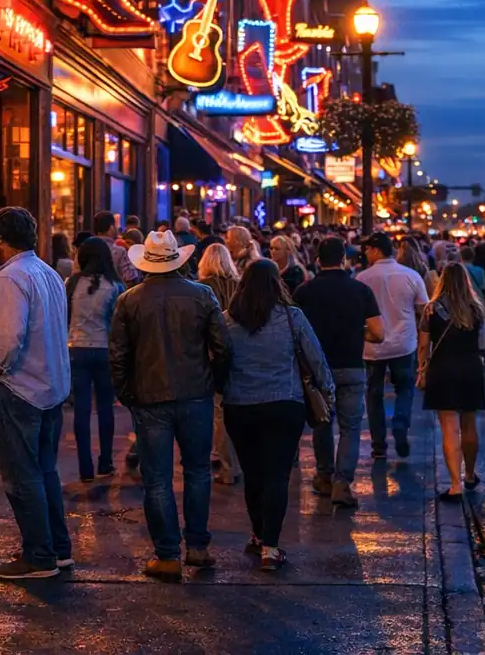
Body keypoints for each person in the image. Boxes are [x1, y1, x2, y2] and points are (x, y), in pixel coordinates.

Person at [110, 230, 231, 581]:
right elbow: (222, 348)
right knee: (197, 472)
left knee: (158, 479)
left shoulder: (129, 301)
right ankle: (197, 546)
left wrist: (127, 392)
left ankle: (167, 555)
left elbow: (118, 355)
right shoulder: (202, 295)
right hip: (195, 394)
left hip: (149, 398)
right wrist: (214, 383)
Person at [0, 206, 75, 580]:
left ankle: (39, 555)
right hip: (50, 387)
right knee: (44, 471)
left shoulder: (10, 278)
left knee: (22, 477)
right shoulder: (48, 273)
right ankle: (57, 547)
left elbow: (7, 337)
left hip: (19, 389)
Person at [222, 259, 333, 571]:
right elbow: (315, 356)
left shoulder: (227, 320)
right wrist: (327, 389)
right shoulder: (291, 316)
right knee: (277, 475)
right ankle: (271, 546)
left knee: (252, 474)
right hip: (285, 404)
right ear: (276, 284)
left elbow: (216, 357)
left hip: (240, 405)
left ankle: (257, 533)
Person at [294, 236, 384, 508]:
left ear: (318, 260)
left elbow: (294, 330)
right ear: (343, 259)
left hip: (318, 369)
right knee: (351, 426)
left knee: (321, 422)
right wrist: (358, 333)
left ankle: (323, 476)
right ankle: (342, 483)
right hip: (352, 366)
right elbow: (378, 334)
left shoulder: (304, 292)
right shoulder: (360, 290)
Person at [420, 264, 485, 501]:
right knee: (469, 424)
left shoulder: (431, 309)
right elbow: (483, 342)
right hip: (470, 368)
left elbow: (423, 344)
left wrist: (422, 367)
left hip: (442, 368)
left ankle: (455, 484)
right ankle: (469, 473)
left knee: (449, 427)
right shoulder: (476, 308)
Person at [359, 232, 429, 461]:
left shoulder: (362, 278)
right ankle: (400, 423)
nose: (365, 254)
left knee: (374, 393)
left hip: (373, 345)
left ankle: (379, 445)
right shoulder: (410, 275)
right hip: (403, 343)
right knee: (405, 387)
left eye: (367, 249)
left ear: (377, 250)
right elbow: (423, 311)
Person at [66, 237, 123, 481]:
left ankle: (85, 466)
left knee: (81, 409)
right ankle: (106, 461)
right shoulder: (114, 286)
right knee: (105, 409)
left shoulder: (71, 284)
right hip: (103, 350)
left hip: (76, 348)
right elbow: (117, 324)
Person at [197, 242, 243, 485]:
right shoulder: (239, 286)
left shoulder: (202, 288)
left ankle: (227, 466)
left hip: (212, 354)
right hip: (240, 351)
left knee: (219, 411)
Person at [94, 210, 140, 285]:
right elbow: (131, 278)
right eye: (116, 225)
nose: (117, 228)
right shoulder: (119, 251)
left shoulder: (84, 249)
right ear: (111, 227)